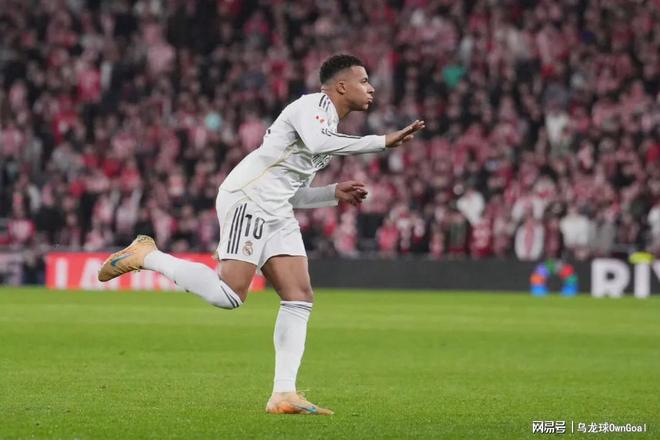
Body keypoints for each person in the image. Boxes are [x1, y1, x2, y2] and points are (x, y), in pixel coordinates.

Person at [97, 54, 425, 415]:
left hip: (276, 208)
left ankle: (283, 393)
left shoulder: (328, 124)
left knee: (299, 296)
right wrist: (381, 141)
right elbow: (319, 144)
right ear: (342, 86)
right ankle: (148, 255)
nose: (371, 88)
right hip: (249, 199)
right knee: (229, 296)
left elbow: (292, 192)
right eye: (364, 81)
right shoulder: (312, 107)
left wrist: (332, 194)